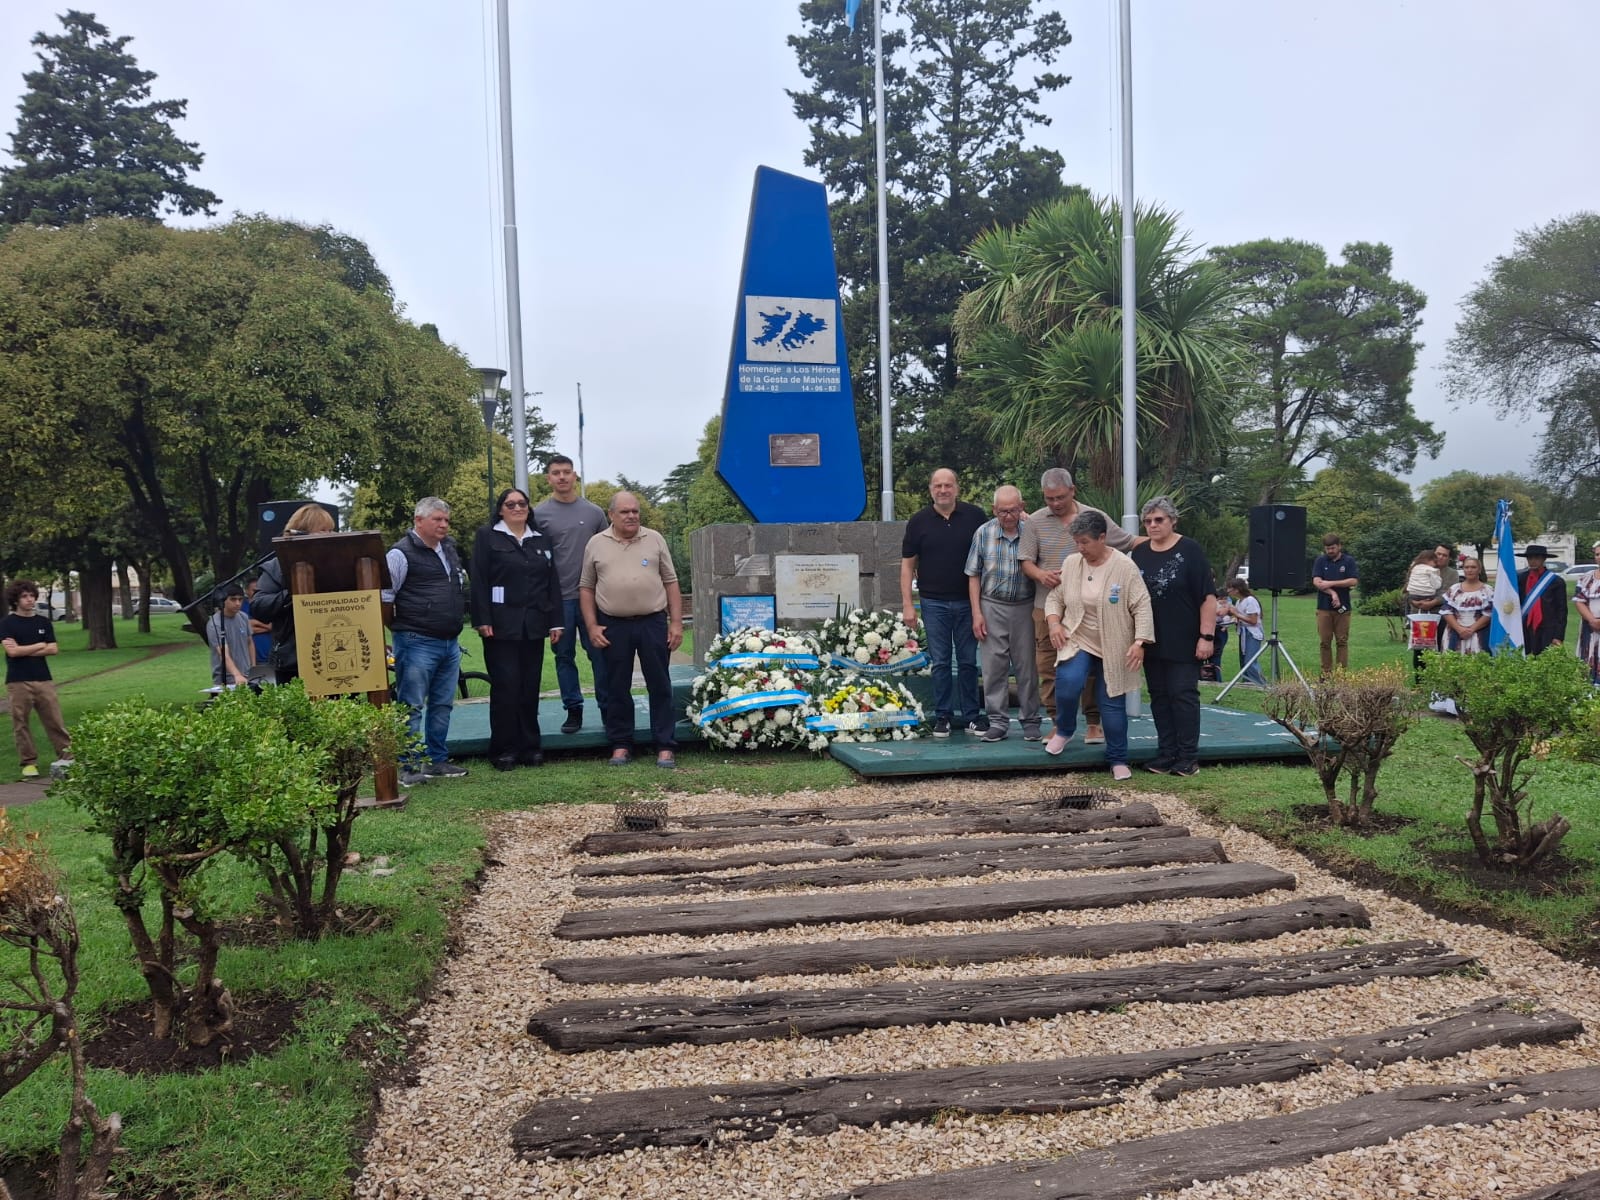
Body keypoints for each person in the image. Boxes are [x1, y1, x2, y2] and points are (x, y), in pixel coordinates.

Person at [1019, 467, 1136, 746]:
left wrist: (1167, 544)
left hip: (1092, 609)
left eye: (1060, 497)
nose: (1055, 503)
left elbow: (1128, 542)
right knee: (1049, 666)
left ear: (1073, 491)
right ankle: (1058, 723)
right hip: (1046, 606)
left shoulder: (1094, 518)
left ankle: (1093, 723)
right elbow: (1025, 561)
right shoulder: (1034, 522)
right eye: (1049, 498)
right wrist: (1040, 575)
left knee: (1093, 668)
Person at [1042, 511, 1153, 781]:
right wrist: (1055, 624)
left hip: (1115, 644)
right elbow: (1055, 599)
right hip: (1078, 636)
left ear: (1102, 538)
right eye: (1076, 543)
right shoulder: (1071, 563)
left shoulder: (1124, 567)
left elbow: (1142, 605)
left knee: (1112, 704)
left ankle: (1117, 759)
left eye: (1085, 543)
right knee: (1068, 683)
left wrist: (1140, 643)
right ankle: (1065, 730)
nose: (1080, 549)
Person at [579, 491, 683, 768]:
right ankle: (621, 744)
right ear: (611, 515)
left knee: (660, 684)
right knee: (616, 686)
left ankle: (664, 745)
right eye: (624, 512)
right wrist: (591, 625)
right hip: (613, 624)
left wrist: (675, 622)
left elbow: (671, 582)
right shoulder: (596, 544)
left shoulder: (655, 539)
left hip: (653, 622)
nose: (631, 516)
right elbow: (586, 587)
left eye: (635, 511)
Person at [470, 488, 563, 772]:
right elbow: (478, 579)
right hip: (500, 627)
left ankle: (530, 747)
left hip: (534, 625)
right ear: (500, 509)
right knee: (506, 687)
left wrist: (556, 621)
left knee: (529, 687)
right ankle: (504, 749)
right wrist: (482, 618)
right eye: (510, 504)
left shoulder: (541, 539)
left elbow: (552, 584)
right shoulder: (488, 537)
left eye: (522, 503)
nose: (517, 507)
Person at [385, 497, 470, 784]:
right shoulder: (399, 554)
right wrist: (401, 630)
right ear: (418, 520)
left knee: (443, 704)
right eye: (437, 519)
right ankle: (408, 767)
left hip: (449, 641)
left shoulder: (448, 549)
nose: (444, 524)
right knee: (412, 705)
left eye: (446, 519)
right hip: (416, 640)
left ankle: (436, 761)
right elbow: (385, 599)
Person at [1131, 496, 1217, 777]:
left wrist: (1207, 636)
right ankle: (1166, 752)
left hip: (1185, 638)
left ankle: (1188, 756)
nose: (1153, 525)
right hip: (1152, 639)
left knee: (1183, 694)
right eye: (1148, 521)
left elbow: (1207, 596)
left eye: (1159, 520)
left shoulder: (1190, 550)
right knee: (1159, 696)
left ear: (1173, 521)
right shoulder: (1140, 552)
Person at [900, 467, 987, 737]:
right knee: (939, 661)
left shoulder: (975, 516)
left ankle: (972, 716)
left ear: (957, 488)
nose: (943, 490)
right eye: (937, 486)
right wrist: (907, 605)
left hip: (967, 602)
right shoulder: (918, 521)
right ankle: (943, 716)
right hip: (933, 602)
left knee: (968, 661)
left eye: (948, 485)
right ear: (930, 490)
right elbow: (907, 565)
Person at [534, 454, 611, 734]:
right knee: (563, 656)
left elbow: (609, 550)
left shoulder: (594, 512)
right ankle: (573, 709)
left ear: (575, 476)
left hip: (594, 598)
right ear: (549, 478)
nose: (562, 477)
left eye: (567, 472)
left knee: (600, 655)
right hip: (559, 600)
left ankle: (607, 710)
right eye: (556, 473)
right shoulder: (539, 515)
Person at [964, 485, 1041, 742]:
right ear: (994, 510)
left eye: (1013, 510)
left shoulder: (1032, 530)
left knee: (1026, 667)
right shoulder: (983, 533)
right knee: (993, 667)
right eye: (1002, 511)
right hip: (991, 604)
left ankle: (1030, 720)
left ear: (1022, 507)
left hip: (1025, 605)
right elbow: (973, 575)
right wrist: (977, 613)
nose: (1008, 516)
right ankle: (997, 721)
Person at [249, 502, 338, 684]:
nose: (330, 536)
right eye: (323, 530)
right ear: (300, 532)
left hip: (337, 655)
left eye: (331, 530)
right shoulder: (276, 567)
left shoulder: (342, 563)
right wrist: (293, 594)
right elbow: (259, 607)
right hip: (292, 660)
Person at [2, 580, 71, 780]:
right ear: (16, 599)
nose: (30, 599)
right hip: (18, 681)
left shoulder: (43, 622)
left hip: (43, 679)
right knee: (20, 722)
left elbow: (53, 649)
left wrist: (25, 649)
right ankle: (28, 762)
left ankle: (67, 757)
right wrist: (40, 645)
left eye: (32, 595)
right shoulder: (7, 623)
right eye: (24, 596)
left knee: (55, 720)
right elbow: (12, 652)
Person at [1311, 533, 1359, 674]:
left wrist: (1331, 583)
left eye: (1332, 548)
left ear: (1339, 546)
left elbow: (1353, 581)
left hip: (1343, 609)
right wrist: (1333, 593)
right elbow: (1317, 582)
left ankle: (1340, 673)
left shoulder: (1348, 561)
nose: (1330, 551)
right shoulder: (1320, 561)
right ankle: (1326, 673)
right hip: (1324, 607)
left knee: (1342, 641)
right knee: (1325, 642)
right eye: (1327, 548)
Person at [1518, 543, 1567, 656]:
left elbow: (1562, 611)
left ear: (1544, 559)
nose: (1533, 561)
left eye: (1537, 558)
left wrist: (1558, 636)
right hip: (1525, 628)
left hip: (1548, 629)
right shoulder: (1520, 579)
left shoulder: (1556, 581)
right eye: (1530, 558)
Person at [206, 584, 255, 688]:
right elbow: (223, 652)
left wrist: (253, 668)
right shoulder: (215, 623)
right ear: (223, 600)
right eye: (233, 599)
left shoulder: (243, 617)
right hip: (226, 680)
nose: (237, 603)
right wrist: (236, 674)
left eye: (240, 600)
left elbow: (250, 642)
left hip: (246, 676)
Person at [1440, 557, 1492, 653]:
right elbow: (1446, 611)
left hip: (1479, 633)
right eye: (1466, 567)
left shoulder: (1488, 590)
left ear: (1479, 570)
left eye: (1473, 567)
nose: (1470, 570)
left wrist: (1471, 629)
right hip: (1454, 632)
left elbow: (1489, 613)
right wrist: (1459, 629)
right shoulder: (1454, 589)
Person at [1222, 578, 1265, 685]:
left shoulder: (1250, 600)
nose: (1228, 591)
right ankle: (1247, 681)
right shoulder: (1239, 602)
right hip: (1243, 633)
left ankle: (1260, 683)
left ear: (1237, 589)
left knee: (1250, 661)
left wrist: (1236, 614)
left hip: (1252, 634)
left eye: (1230, 588)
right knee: (1243, 660)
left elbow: (1253, 621)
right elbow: (1239, 617)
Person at [1574, 541, 1600, 685]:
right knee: (1588, 664)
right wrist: (1593, 621)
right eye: (1597, 554)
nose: (1599, 557)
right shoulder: (1586, 577)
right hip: (1589, 629)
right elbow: (1579, 601)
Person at [244, 577, 274, 669]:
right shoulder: (241, 607)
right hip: (251, 658)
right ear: (247, 591)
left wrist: (253, 624)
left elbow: (274, 626)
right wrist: (267, 627)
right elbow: (245, 628)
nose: (256, 593)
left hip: (271, 655)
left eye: (259, 590)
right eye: (254, 590)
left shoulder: (268, 605)